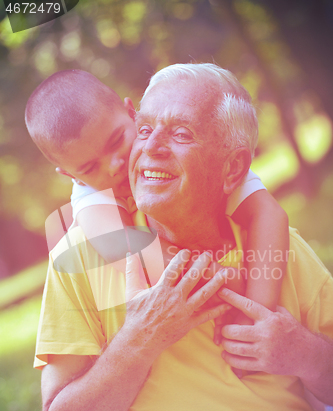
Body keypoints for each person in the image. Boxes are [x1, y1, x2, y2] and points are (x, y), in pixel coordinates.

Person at [35, 63, 333, 411]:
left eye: (180, 134)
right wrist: (142, 337)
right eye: (146, 129)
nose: (147, 148)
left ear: (232, 169)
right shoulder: (83, 254)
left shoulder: (273, 242)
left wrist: (303, 353)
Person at [25, 69, 289, 329]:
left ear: (133, 114)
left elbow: (268, 214)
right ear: (71, 175)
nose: (114, 165)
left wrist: (256, 313)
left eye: (117, 141)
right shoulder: (90, 199)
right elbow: (135, 254)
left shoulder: (204, 164)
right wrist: (222, 281)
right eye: (90, 168)